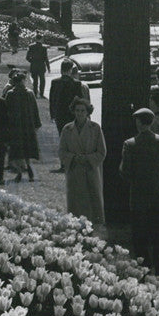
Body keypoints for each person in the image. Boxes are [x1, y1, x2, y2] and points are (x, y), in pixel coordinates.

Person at [119, 107, 159, 275]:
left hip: (139, 201)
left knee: (141, 241)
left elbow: (125, 172)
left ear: (138, 123)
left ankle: (144, 274)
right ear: (152, 122)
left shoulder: (130, 144)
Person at [58, 96, 107, 226]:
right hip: (74, 171)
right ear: (73, 111)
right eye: (77, 110)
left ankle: (94, 229)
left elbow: (102, 152)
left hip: (91, 171)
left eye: (83, 111)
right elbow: (61, 151)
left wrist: (87, 159)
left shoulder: (95, 128)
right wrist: (73, 158)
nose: (80, 113)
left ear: (88, 112)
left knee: (92, 203)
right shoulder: (67, 129)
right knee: (76, 204)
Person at [49, 58, 84, 171]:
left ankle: (63, 163)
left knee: (62, 138)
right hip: (72, 115)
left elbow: (52, 99)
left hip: (59, 115)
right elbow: (80, 100)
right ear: (70, 70)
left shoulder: (55, 82)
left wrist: (52, 114)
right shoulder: (76, 84)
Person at [5, 72, 40, 181]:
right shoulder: (29, 93)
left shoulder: (10, 94)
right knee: (27, 150)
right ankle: (29, 169)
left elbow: (7, 111)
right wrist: (37, 123)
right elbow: (35, 109)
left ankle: (20, 172)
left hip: (15, 126)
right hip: (28, 125)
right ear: (22, 81)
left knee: (17, 150)